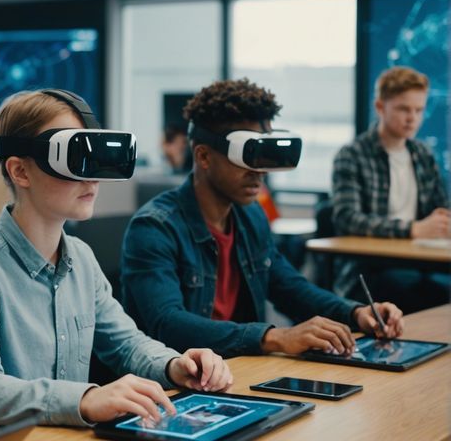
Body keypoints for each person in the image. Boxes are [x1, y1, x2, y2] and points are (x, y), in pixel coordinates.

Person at [0, 89, 232, 430]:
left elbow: (126, 345)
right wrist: (84, 400)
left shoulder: (81, 259)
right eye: (74, 160)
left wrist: (175, 365)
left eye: (95, 161)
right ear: (20, 172)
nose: (93, 178)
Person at [120, 79, 405, 360]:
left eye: (263, 156)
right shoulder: (154, 228)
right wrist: (275, 337)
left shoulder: (251, 216)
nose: (259, 171)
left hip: (239, 371)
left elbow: (289, 287)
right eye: (246, 156)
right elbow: (168, 325)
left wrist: (356, 312)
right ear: (204, 156)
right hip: (175, 387)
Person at [331, 66, 450, 312]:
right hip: (370, 270)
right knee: (429, 297)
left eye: (419, 110)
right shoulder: (352, 155)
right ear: (380, 107)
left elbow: (441, 207)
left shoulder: (423, 154)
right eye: (403, 109)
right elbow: (347, 219)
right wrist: (413, 229)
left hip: (420, 263)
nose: (412, 118)